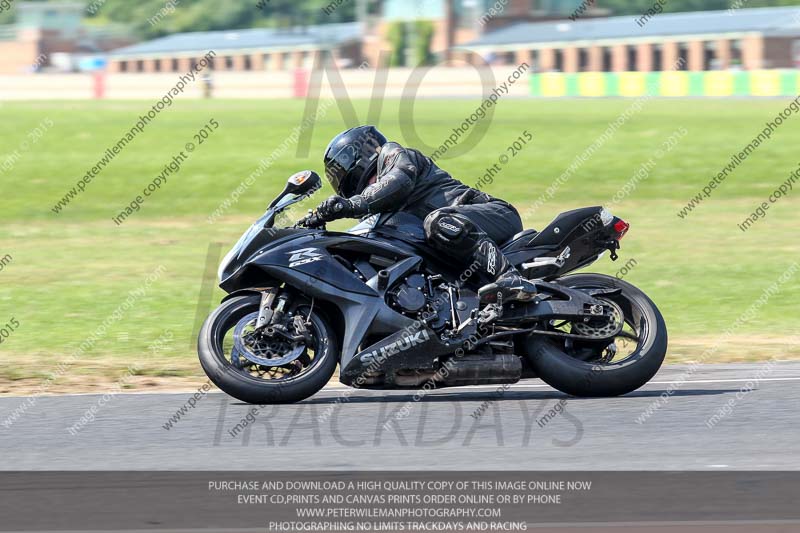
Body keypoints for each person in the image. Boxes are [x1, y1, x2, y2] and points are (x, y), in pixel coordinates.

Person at [312, 125, 537, 304]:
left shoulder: (398, 157)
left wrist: (352, 204)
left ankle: (509, 277)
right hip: (455, 249)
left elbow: (397, 181)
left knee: (438, 221)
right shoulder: (378, 213)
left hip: (495, 215)